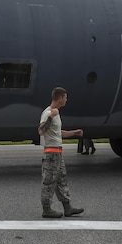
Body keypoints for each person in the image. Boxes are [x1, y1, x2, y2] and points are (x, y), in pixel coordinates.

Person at [38, 87, 85, 218]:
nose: (66, 100)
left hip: (58, 153)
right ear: (59, 98)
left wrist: (74, 132)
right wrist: (50, 117)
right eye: (65, 97)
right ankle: (46, 209)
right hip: (51, 154)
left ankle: (67, 207)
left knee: (61, 180)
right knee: (49, 182)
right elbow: (41, 131)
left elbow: (58, 133)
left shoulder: (56, 113)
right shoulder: (49, 113)